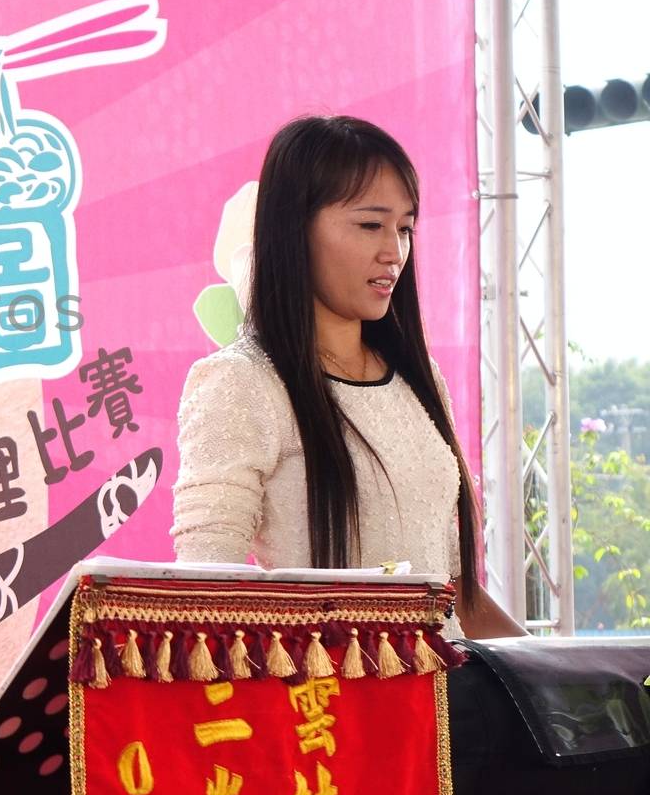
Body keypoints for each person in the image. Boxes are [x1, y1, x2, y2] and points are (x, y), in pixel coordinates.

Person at [171, 114, 522, 639]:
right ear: (294, 230)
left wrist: (569, 694)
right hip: (328, 711)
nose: (394, 252)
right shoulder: (241, 383)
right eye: (369, 225)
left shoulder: (417, 380)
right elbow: (204, 596)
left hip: (444, 708)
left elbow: (451, 595)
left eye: (404, 228)